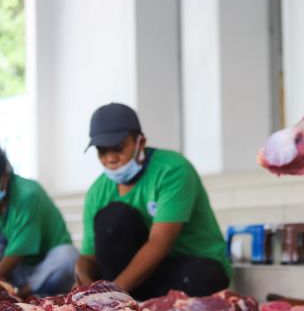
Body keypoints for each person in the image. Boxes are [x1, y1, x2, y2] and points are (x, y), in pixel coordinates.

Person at [75, 103, 231, 300]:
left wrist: (115, 293)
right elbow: (89, 257)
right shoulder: (97, 192)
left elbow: (161, 241)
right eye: (102, 152)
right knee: (112, 218)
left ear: (140, 142)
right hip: (131, 280)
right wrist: (86, 284)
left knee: (203, 277)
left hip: (180, 268)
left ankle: (124, 300)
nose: (111, 159)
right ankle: (123, 303)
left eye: (118, 149)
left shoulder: (173, 170)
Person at [0, 149, 78, 297]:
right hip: (14, 273)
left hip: (43, 269)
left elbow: (18, 253)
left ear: (5, 176)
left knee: (68, 256)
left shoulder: (28, 194)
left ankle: (21, 294)